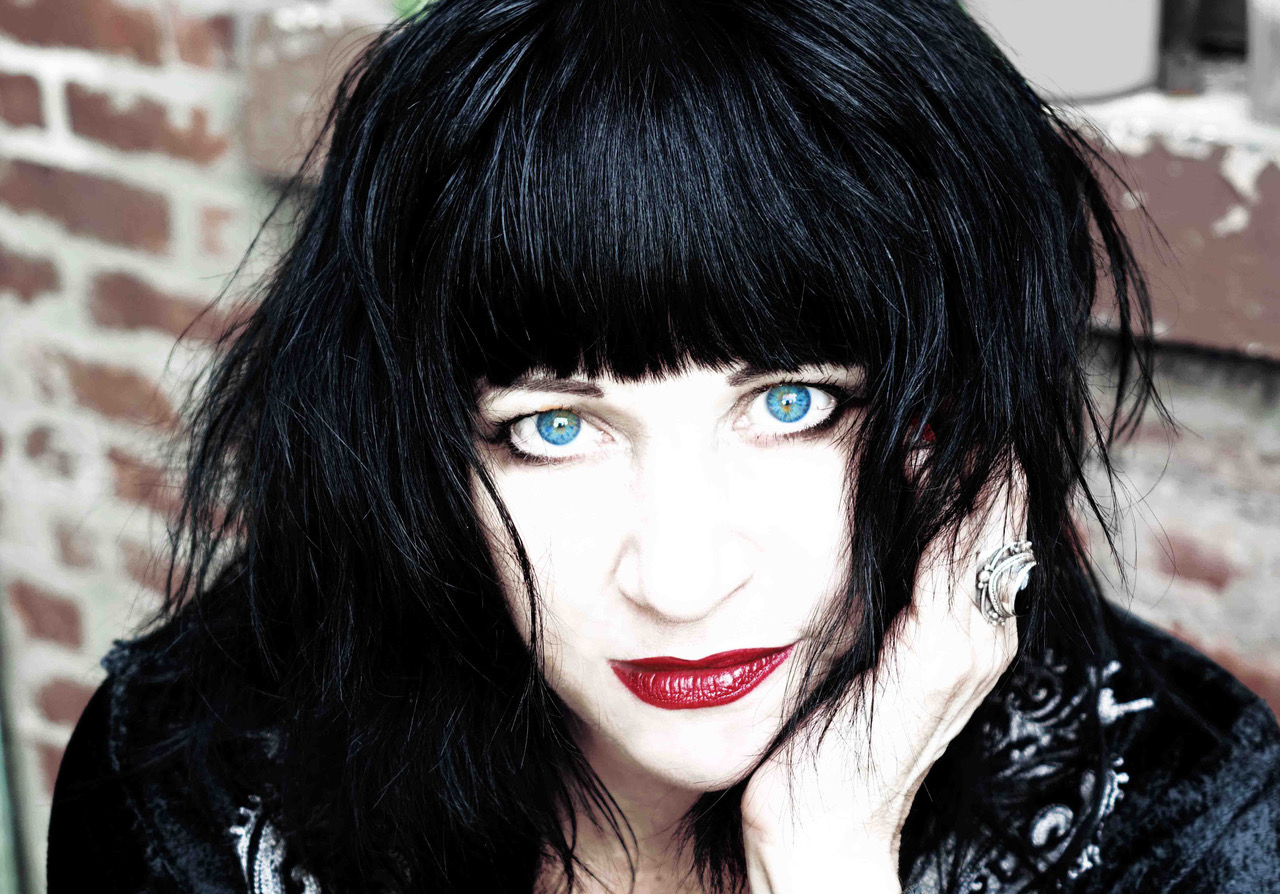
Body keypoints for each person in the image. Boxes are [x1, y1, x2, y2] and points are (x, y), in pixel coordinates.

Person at [45, 0, 1280, 891]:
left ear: (949, 413)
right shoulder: (197, 775)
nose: (681, 583)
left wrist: (827, 858)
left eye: (792, 406)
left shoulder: (1181, 820)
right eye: (552, 429)